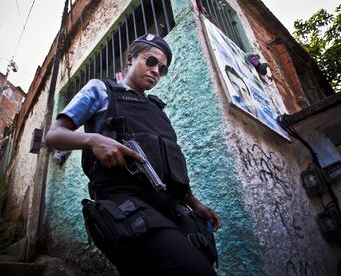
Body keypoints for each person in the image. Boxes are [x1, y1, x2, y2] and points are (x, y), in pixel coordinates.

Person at [46, 33, 221, 275]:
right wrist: (93, 139)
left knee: (204, 258)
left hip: (170, 206)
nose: (156, 71)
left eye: (162, 68)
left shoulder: (157, 110)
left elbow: (167, 166)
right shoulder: (101, 89)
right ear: (131, 59)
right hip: (127, 202)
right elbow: (53, 136)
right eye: (150, 61)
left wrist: (195, 203)